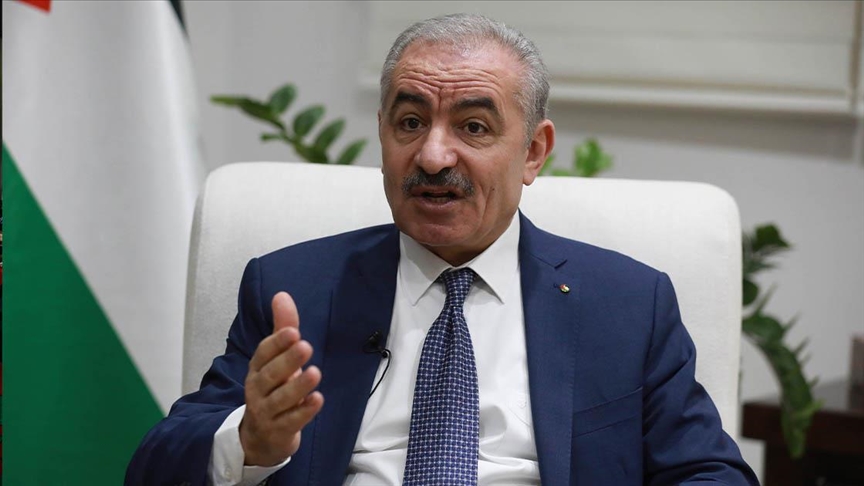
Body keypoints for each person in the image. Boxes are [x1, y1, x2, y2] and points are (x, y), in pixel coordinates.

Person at [127, 13, 758, 486]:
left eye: (473, 127)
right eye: (410, 123)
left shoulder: (627, 304)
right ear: (382, 134)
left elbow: (710, 472)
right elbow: (155, 466)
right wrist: (249, 439)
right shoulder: (295, 288)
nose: (432, 156)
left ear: (534, 152)